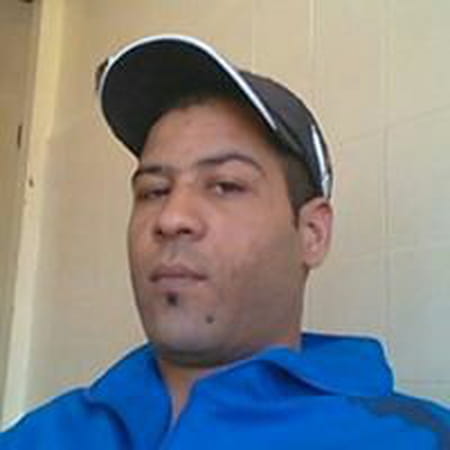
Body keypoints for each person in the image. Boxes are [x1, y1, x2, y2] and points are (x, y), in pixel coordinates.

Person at [1, 34, 449, 449]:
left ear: (312, 234)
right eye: (153, 191)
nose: (171, 218)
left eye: (225, 186)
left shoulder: (414, 438)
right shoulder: (41, 436)